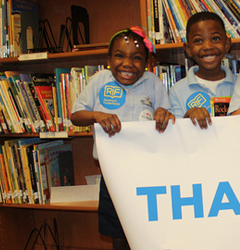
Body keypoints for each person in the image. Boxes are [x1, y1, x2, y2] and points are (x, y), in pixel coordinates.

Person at [70, 26, 175, 250]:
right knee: (117, 230)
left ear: (147, 63)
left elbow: (169, 116)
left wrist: (162, 113)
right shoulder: (99, 81)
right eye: (119, 56)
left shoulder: (153, 83)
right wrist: (96, 115)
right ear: (108, 59)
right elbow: (76, 116)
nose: (127, 63)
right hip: (113, 174)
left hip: (149, 173)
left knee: (150, 228)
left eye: (137, 58)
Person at [169, 12, 236, 129]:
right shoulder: (177, 91)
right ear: (188, 49)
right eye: (198, 41)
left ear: (226, 44)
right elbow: (176, 134)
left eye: (215, 39)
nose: (207, 47)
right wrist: (188, 117)